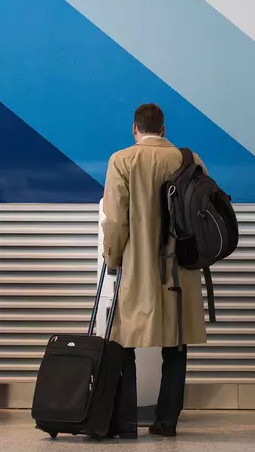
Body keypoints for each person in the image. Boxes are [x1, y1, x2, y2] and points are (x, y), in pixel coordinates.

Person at [101, 103, 208, 438]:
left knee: (123, 340)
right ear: (163, 129)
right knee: (175, 345)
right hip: (181, 268)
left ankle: (126, 420)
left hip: (137, 266)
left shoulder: (121, 160)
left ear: (135, 129)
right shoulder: (190, 160)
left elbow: (116, 220)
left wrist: (112, 257)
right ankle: (167, 422)